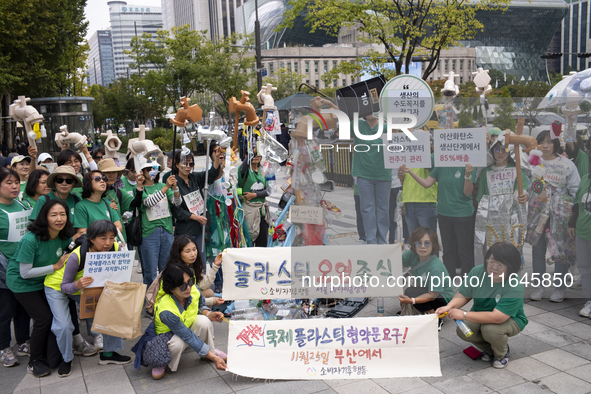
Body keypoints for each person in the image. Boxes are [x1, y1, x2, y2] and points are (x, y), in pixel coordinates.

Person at [44, 220, 132, 377]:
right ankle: (66, 359)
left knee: (111, 312)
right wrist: (77, 284)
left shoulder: (116, 248)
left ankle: (109, 354)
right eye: (103, 238)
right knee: (63, 326)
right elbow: (65, 286)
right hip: (58, 287)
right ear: (91, 239)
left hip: (85, 289)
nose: (108, 242)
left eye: (112, 238)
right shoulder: (77, 256)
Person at [6, 200, 75, 377]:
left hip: (45, 281)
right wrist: (55, 266)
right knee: (43, 318)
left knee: (55, 317)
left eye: (63, 214)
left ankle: (51, 355)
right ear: (44, 217)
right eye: (54, 215)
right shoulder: (31, 239)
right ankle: (34, 361)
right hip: (22, 284)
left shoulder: (65, 236)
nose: (59, 219)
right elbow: (25, 273)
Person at [436, 242, 528, 369]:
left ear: (510, 266)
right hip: (479, 313)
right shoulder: (477, 272)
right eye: (491, 261)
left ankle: (501, 354)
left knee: (490, 330)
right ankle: (490, 350)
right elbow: (464, 294)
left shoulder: (514, 285)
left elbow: (498, 317)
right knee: (463, 330)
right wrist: (449, 306)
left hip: (510, 319)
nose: (494, 267)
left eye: (500, 264)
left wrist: (463, 314)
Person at [131, 263, 227, 380]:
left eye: (190, 282)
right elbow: (187, 335)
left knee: (204, 321)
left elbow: (201, 305)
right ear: (171, 288)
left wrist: (209, 313)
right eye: (182, 286)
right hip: (167, 335)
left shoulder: (194, 289)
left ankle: (208, 353)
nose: (188, 288)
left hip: (185, 326)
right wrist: (215, 358)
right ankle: (163, 362)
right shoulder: (166, 310)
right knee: (177, 343)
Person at [529, 130, 580, 302]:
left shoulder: (566, 164)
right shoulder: (534, 163)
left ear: (556, 144)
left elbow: (575, 190)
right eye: (542, 142)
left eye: (549, 142)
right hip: (538, 214)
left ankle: (560, 288)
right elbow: (527, 187)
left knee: (561, 251)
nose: (545, 145)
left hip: (560, 215)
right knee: (537, 249)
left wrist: (568, 209)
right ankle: (539, 286)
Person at [403, 163, 477, 276]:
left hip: (462, 214)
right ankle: (447, 280)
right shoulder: (441, 164)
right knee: (447, 250)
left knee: (464, 251)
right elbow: (427, 183)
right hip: (444, 213)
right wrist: (410, 172)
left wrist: (467, 176)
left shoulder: (468, 166)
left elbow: (467, 193)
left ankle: (468, 282)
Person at [474, 138, 528, 262]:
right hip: (492, 223)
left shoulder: (517, 170)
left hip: (512, 222)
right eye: (496, 149)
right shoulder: (485, 173)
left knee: (512, 254)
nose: (500, 153)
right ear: (492, 151)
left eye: (504, 149)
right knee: (493, 254)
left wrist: (523, 196)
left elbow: (522, 190)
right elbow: (481, 200)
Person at [131, 160, 182, 286]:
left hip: (166, 231)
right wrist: (166, 187)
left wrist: (175, 187)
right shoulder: (140, 189)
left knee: (167, 270)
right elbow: (148, 203)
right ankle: (150, 302)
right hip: (149, 233)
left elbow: (177, 202)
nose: (153, 171)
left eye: (155, 168)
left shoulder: (161, 186)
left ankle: (164, 297)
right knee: (150, 273)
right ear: (142, 171)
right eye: (149, 169)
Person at [145, 235, 225, 314]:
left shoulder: (191, 266)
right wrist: (213, 301)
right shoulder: (175, 271)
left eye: (194, 249)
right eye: (188, 251)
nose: (193, 254)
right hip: (170, 306)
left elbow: (203, 285)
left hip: (184, 299)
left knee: (209, 292)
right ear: (178, 253)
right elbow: (182, 298)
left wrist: (215, 265)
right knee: (203, 321)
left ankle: (204, 316)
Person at [0, 168, 31, 368]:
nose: (14, 186)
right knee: (5, 308)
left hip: (24, 264)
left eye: (16, 182)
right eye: (8, 182)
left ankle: (22, 341)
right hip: (4, 266)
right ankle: (4, 347)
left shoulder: (22, 204)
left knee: (23, 306)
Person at [171, 144, 221, 266]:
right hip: (185, 230)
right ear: (177, 165)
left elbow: (211, 174)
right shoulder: (173, 183)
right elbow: (177, 211)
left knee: (200, 263)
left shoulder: (195, 178)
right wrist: (195, 217)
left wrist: (216, 159)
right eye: (184, 163)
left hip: (200, 228)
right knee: (185, 264)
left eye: (191, 164)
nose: (188, 167)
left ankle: (200, 284)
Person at [398, 227, 454, 330]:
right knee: (410, 291)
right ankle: (423, 311)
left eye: (427, 243)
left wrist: (412, 301)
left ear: (433, 246)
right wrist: (397, 250)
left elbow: (432, 295)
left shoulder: (435, 267)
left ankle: (435, 318)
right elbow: (397, 265)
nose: (422, 247)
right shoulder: (412, 254)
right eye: (419, 243)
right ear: (414, 244)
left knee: (411, 291)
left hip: (443, 300)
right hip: (428, 291)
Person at [351, 115, 392, 245]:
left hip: (383, 174)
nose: (371, 112)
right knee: (367, 208)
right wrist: (330, 104)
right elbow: (343, 114)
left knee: (383, 209)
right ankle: (371, 240)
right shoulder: (358, 125)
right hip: (364, 175)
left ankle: (382, 239)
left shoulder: (386, 127)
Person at [568, 168, 591, 318]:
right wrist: (572, 223)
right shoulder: (585, 178)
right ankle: (589, 300)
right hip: (582, 231)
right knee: (584, 268)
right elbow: (577, 204)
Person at [239, 141, 270, 247]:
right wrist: (253, 151)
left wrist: (255, 195)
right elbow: (244, 165)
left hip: (262, 211)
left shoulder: (264, 170)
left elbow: (269, 190)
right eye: (253, 155)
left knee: (263, 243)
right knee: (249, 242)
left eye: (258, 154)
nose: (256, 157)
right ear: (246, 156)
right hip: (249, 211)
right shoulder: (243, 170)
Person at [74, 171, 123, 238]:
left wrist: (102, 236)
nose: (102, 181)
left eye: (104, 179)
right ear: (88, 183)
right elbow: (82, 232)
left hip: (110, 246)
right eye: (97, 178)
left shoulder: (109, 204)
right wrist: (107, 235)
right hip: (91, 247)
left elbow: (119, 228)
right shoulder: (81, 206)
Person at [397, 159, 439, 239]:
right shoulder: (407, 157)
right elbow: (403, 182)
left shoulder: (431, 156)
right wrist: (401, 178)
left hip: (426, 202)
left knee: (429, 241)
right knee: (415, 242)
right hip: (408, 202)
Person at [98, 159, 133, 242]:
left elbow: (134, 204)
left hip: (119, 237)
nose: (111, 175)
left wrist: (139, 188)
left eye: (114, 172)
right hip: (101, 239)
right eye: (107, 172)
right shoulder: (94, 193)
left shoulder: (118, 191)